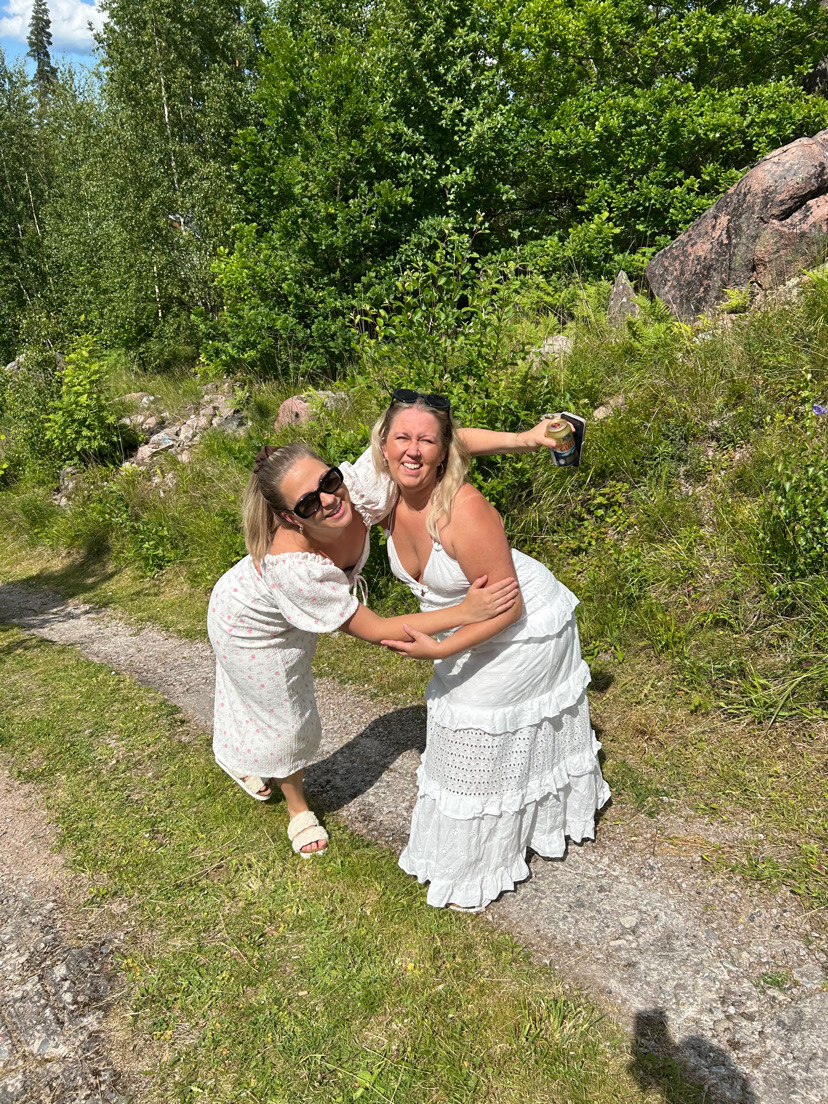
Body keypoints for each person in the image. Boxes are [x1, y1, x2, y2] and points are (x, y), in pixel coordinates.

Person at [207, 423, 552, 857]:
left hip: (278, 603)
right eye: (309, 503)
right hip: (248, 623)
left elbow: (432, 442)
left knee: (257, 699)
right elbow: (376, 629)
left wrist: (525, 439)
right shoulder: (294, 567)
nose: (330, 499)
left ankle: (242, 755)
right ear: (290, 518)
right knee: (283, 711)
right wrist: (467, 612)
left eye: (328, 482)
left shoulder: (357, 487)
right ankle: (296, 806)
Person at [374, 391, 610, 910]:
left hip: (524, 623)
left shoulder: (465, 509)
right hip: (471, 616)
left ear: (442, 454)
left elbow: (506, 607)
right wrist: (527, 438)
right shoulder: (379, 488)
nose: (412, 451)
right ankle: (486, 840)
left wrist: (437, 650)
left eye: (426, 442)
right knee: (463, 723)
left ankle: (481, 863)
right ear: (382, 445)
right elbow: (459, 438)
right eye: (402, 438)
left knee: (472, 718)